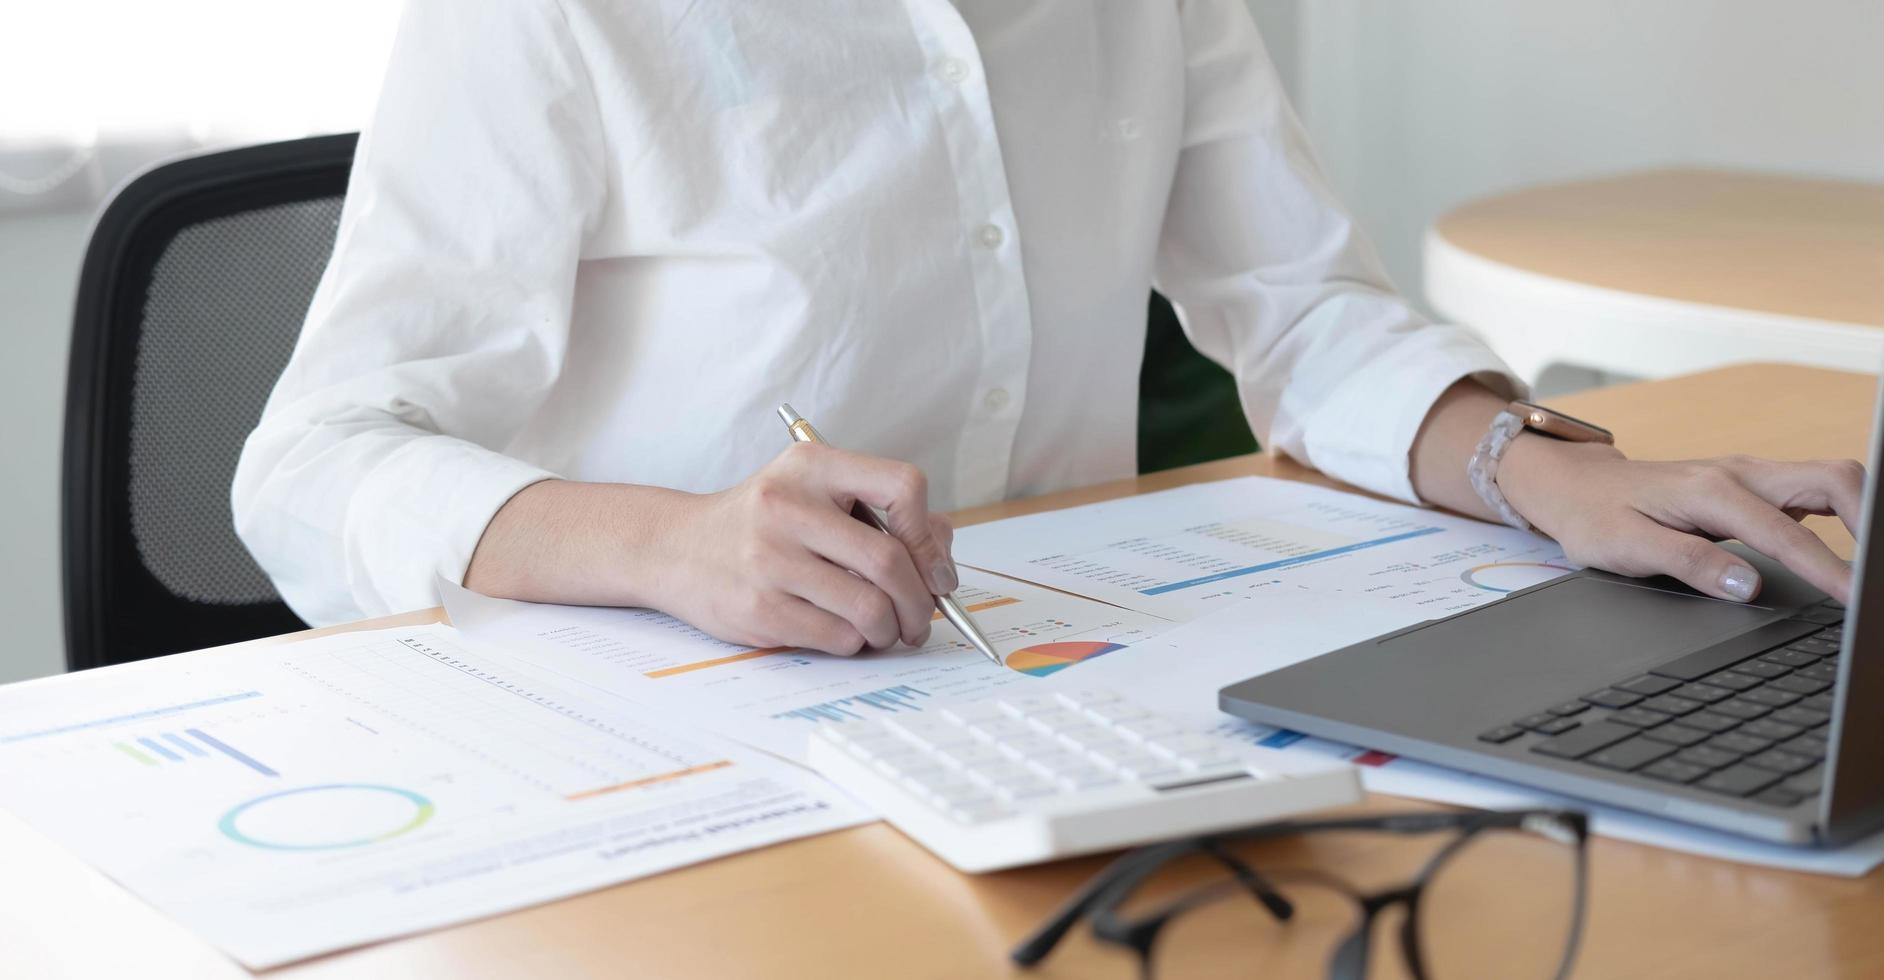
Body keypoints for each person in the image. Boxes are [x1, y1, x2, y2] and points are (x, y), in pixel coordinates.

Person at [234, 0, 1862, 656]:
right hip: (662, 726)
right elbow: (307, 465)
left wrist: (1527, 463)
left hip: (1044, 684)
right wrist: (671, 547)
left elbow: (1298, 309)